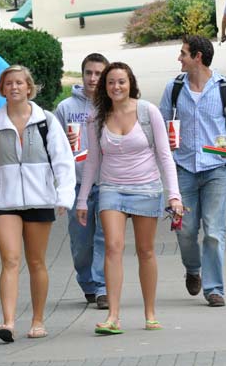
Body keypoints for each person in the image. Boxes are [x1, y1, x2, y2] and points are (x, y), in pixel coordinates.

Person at [0, 65, 76, 343]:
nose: (14, 87)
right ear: (2, 90)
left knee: (36, 261)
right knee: (10, 260)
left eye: (19, 83)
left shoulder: (46, 121)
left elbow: (63, 161)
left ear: (29, 88)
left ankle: (38, 320)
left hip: (40, 199)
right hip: (4, 201)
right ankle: (8, 322)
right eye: (9, 83)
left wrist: (64, 196)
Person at [76, 62, 181, 335]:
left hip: (146, 188)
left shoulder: (148, 112)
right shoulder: (97, 117)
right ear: (104, 86)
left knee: (145, 250)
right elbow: (92, 162)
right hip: (111, 188)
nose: (116, 87)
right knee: (112, 247)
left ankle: (150, 313)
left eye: (121, 81)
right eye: (111, 82)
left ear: (130, 83)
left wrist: (174, 196)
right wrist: (82, 199)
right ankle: (113, 316)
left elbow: (164, 156)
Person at [159, 36, 226, 307]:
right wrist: (167, 135)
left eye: (183, 53)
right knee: (185, 229)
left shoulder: (225, 87)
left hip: (216, 170)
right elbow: (161, 123)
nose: (179, 58)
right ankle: (193, 269)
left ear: (198, 57)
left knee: (213, 230)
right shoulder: (174, 88)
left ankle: (214, 289)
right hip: (184, 168)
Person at [55, 53, 110, 310]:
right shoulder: (66, 108)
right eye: (89, 73)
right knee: (81, 242)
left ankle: (102, 287)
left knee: (104, 236)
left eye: (99, 74)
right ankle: (87, 281)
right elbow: (54, 147)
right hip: (77, 183)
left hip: (108, 182)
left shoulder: (112, 104)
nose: (93, 78)